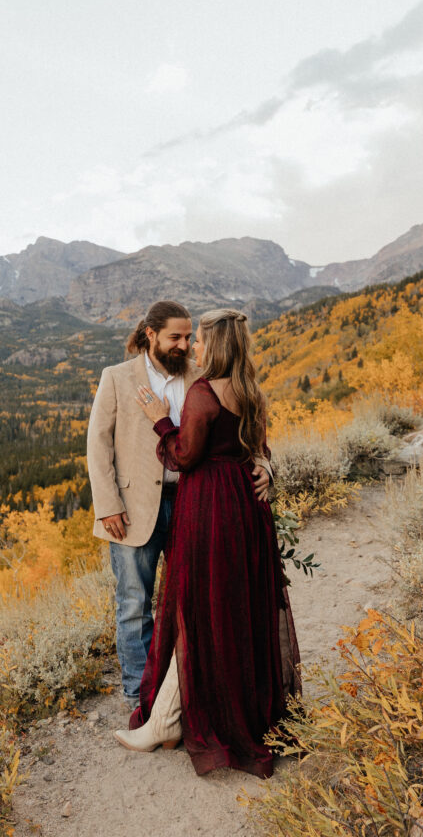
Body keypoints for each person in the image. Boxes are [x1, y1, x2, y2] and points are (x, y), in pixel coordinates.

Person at [114, 308, 300, 779]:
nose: (192, 346)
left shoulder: (203, 392)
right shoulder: (251, 391)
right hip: (246, 512)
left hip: (209, 510)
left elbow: (184, 455)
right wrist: (265, 468)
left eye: (198, 340)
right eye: (186, 338)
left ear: (215, 345)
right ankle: (209, 713)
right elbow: (259, 447)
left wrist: (160, 420)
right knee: (233, 610)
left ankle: (167, 721)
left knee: (196, 612)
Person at [87, 301, 272, 709]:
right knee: (135, 603)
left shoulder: (203, 376)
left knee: (195, 599)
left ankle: (189, 692)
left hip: (197, 504)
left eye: (190, 337)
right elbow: (98, 444)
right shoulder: (116, 378)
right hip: (133, 508)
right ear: (150, 335)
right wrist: (107, 505)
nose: (185, 345)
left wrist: (264, 464)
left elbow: (241, 429)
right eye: (176, 337)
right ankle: (141, 695)